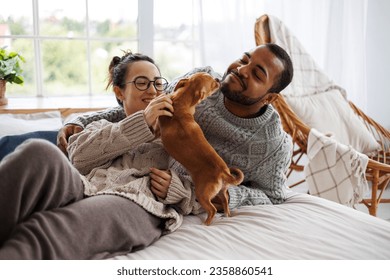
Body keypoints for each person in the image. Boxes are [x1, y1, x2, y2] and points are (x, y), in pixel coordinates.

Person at [0, 51, 194, 260]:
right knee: (38, 151)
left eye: (157, 83)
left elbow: (205, 189)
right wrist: (142, 122)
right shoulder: (101, 126)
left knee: (45, 229)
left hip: (135, 202)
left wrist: (176, 189)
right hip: (83, 187)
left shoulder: (177, 137)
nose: (153, 90)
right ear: (119, 92)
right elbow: (78, 159)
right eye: (141, 83)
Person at [59, 43, 294, 211]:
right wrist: (81, 121)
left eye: (257, 74)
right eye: (244, 59)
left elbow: (272, 196)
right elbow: (149, 108)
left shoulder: (274, 146)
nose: (241, 69)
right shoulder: (200, 80)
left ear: (269, 98)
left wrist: (198, 194)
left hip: (163, 193)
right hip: (120, 156)